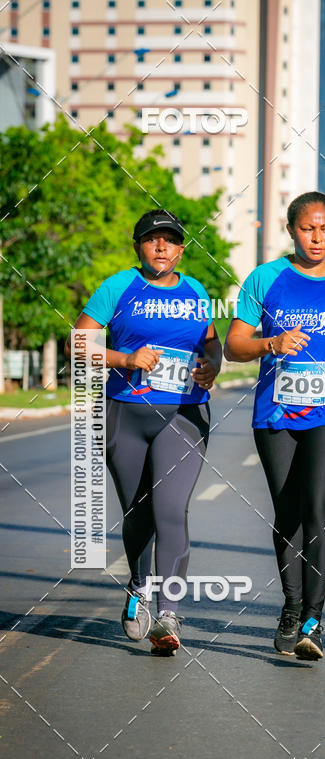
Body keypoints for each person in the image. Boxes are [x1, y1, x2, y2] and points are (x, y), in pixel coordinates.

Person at [224, 191, 325, 661]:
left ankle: (313, 618)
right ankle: (291, 606)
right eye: (308, 229)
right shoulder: (264, 278)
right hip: (276, 408)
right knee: (287, 511)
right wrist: (271, 342)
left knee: (317, 505)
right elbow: (233, 346)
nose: (318, 237)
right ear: (291, 230)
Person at [67, 209, 222, 656]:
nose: (161, 247)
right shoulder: (118, 287)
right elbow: (79, 343)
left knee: (172, 509)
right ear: (138, 246)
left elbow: (210, 342)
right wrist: (126, 360)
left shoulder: (195, 290)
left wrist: (213, 363)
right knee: (139, 510)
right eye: (152, 239)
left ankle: (169, 612)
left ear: (181, 249)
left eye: (170, 240)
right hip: (125, 414)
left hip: (184, 414)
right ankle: (138, 587)